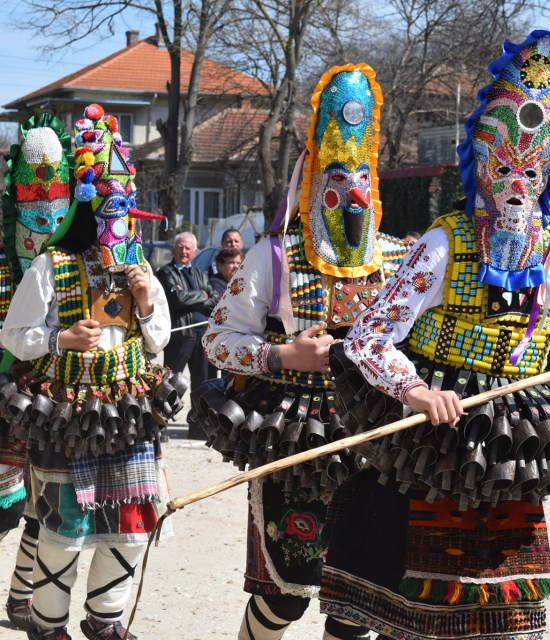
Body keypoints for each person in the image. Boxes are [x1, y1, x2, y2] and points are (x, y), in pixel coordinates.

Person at [318, 32, 550, 640]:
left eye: (532, 169)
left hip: (511, 441)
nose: (515, 183)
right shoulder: (444, 241)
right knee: (417, 605)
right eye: (504, 166)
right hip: (433, 437)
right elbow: (370, 338)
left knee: (506, 609)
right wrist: (417, 392)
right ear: (479, 159)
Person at [197, 64, 407, 640]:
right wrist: (282, 357)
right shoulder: (276, 255)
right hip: (298, 439)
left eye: (361, 178)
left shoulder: (397, 260)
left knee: (356, 603)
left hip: (376, 443)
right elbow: (217, 338)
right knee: (285, 594)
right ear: (314, 181)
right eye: (337, 181)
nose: (352, 197)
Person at [0, 103, 181, 640]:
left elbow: (162, 341)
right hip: (69, 413)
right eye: (106, 204)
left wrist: (148, 303)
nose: (116, 217)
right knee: (65, 528)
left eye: (122, 205)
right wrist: (60, 338)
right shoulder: (49, 266)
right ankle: (49, 625)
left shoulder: (139, 269)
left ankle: (105, 622)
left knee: (128, 526)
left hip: (128, 412)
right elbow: (13, 336)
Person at [0, 113, 75, 632]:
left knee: (42, 506)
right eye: (34, 212)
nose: (45, 229)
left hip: (57, 398)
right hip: (5, 397)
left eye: (57, 213)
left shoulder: (75, 264)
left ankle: (21, 598)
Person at [157, 231, 217, 436]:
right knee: (170, 382)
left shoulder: (201, 273)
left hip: (202, 335)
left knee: (201, 383)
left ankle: (198, 427)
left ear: (195, 251)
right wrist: (202, 295)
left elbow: (215, 301)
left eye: (188, 247)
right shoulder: (166, 272)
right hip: (180, 336)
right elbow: (176, 300)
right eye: (180, 246)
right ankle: (159, 425)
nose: (184, 251)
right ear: (174, 249)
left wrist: (190, 297)